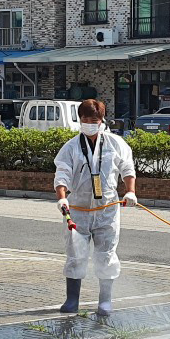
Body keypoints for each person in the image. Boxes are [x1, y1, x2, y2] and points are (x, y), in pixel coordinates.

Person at [54, 99, 136, 316]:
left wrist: (130, 191)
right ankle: (72, 299)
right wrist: (62, 198)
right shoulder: (70, 147)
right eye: (85, 120)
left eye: (94, 120)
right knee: (75, 254)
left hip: (107, 209)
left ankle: (105, 300)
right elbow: (62, 173)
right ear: (80, 120)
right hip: (78, 210)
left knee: (106, 253)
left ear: (101, 121)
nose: (90, 123)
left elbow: (127, 167)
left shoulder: (115, 143)